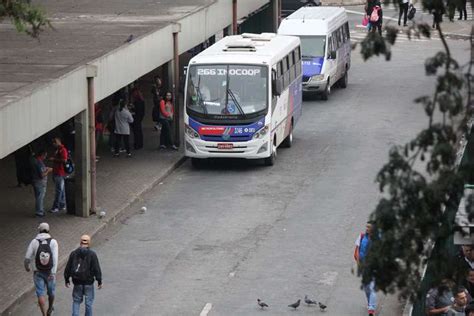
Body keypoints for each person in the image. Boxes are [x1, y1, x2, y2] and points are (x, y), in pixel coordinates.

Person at [24, 223, 59, 316]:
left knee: (40, 293)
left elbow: (27, 257)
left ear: (39, 230)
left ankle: (43, 314)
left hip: (37, 272)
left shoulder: (34, 242)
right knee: (51, 292)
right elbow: (55, 258)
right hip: (50, 272)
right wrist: (53, 272)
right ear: (48, 230)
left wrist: (27, 267)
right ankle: (50, 308)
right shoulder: (53, 242)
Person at [64, 235, 102, 316]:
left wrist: (66, 279)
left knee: (76, 301)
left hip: (77, 282)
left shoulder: (73, 253)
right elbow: (96, 268)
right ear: (89, 243)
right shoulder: (92, 254)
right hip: (88, 283)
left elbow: (68, 267)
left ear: (80, 242)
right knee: (88, 303)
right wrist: (99, 280)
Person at [354, 221, 377, 316]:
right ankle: (370, 303)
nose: (367, 228)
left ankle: (371, 309)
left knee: (372, 287)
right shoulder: (362, 236)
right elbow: (356, 251)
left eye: (369, 227)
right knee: (366, 287)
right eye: (366, 226)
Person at [49, 137, 68, 213]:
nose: (53, 144)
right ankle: (62, 204)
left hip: (59, 173)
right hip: (57, 172)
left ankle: (56, 206)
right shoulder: (58, 150)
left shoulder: (62, 150)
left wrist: (54, 159)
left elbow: (64, 160)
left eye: (55, 142)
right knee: (61, 189)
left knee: (59, 190)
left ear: (58, 142)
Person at [32, 149, 52, 217]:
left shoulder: (36, 161)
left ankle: (41, 210)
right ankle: (39, 212)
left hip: (36, 181)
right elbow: (42, 175)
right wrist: (48, 171)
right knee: (40, 197)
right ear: (42, 155)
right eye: (45, 156)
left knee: (39, 196)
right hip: (39, 182)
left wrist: (45, 168)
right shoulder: (39, 163)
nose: (45, 157)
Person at [130, 83, 145, 150]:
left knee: (136, 131)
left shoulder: (137, 101)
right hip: (139, 117)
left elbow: (137, 110)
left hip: (136, 117)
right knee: (138, 131)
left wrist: (132, 108)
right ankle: (139, 144)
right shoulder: (141, 100)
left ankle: (137, 144)